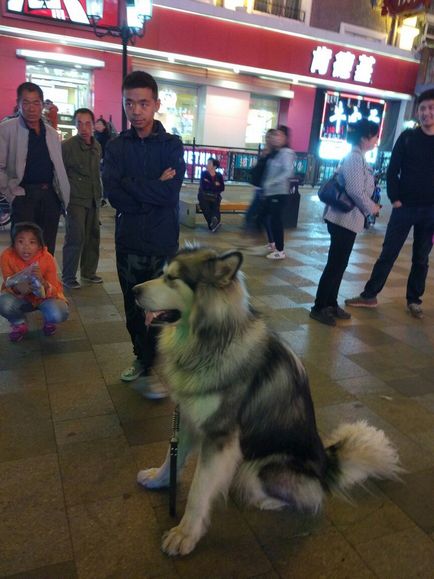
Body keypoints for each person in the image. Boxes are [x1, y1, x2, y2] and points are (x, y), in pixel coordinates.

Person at [102, 70, 185, 399]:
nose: (136, 110)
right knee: (135, 306)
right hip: (130, 241)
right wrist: (153, 188)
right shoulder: (116, 146)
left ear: (156, 104)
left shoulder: (171, 145)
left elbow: (170, 194)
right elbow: (113, 194)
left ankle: (155, 362)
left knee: (163, 307)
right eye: (130, 103)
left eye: (143, 103)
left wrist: (133, 188)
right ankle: (143, 359)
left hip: (163, 242)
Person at [345, 89, 434, 320]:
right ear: (418, 111)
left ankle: (414, 300)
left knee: (421, 258)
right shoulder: (407, 138)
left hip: (431, 211)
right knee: (388, 253)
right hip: (404, 208)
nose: (426, 113)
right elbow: (393, 171)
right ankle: (370, 295)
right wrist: (395, 198)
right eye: (423, 108)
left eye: (431, 108)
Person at [310, 119, 381, 326]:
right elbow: (355, 191)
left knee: (340, 264)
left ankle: (330, 303)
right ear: (365, 137)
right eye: (375, 136)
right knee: (335, 264)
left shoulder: (360, 159)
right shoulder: (354, 158)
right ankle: (319, 307)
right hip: (342, 219)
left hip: (349, 221)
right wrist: (372, 208)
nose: (377, 141)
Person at [0, 82, 70, 255]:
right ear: (18, 104)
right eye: (26, 102)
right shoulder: (6, 129)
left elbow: (57, 166)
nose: (31, 108)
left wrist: (62, 197)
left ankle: (45, 282)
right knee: (24, 251)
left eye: (36, 102)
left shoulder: (51, 133)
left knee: (46, 249)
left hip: (50, 197)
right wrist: (11, 194)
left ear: (42, 105)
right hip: (23, 196)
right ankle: (24, 283)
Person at [0, 222, 69, 342]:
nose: (26, 247)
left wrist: (42, 282)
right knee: (3, 303)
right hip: (20, 298)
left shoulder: (47, 258)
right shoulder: (7, 256)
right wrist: (17, 289)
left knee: (58, 313)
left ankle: (49, 320)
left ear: (39, 245)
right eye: (20, 242)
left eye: (32, 242)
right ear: (14, 244)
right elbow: (8, 281)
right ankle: (19, 323)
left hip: (45, 298)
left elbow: (55, 288)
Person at [61, 108, 103, 289]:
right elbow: (58, 173)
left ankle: (88, 272)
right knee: (75, 237)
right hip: (75, 199)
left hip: (94, 197)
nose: (84, 127)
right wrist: (62, 198)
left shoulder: (97, 146)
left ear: (93, 125)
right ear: (75, 125)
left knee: (93, 236)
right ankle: (68, 276)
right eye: (79, 123)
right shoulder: (67, 146)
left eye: (87, 123)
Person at [262, 125, 295, 260]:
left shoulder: (286, 153)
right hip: (272, 193)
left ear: (285, 138)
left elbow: (288, 171)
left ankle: (280, 250)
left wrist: (272, 182)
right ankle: (273, 244)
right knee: (268, 218)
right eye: (275, 135)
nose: (276, 138)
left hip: (279, 193)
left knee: (276, 221)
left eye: (279, 135)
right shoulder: (277, 152)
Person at [197, 157, 225, 232]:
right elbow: (204, 186)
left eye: (209, 163)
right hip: (204, 195)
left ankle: (213, 224)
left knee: (215, 206)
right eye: (207, 163)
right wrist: (215, 184)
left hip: (215, 196)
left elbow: (222, 188)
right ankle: (214, 223)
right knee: (205, 206)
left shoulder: (219, 175)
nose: (207, 165)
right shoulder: (204, 174)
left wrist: (210, 183)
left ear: (214, 166)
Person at [94, 116, 113, 207]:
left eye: (100, 124)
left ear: (104, 126)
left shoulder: (106, 137)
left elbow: (107, 150)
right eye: (96, 123)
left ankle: (104, 198)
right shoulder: (94, 135)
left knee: (102, 179)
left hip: (103, 161)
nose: (97, 125)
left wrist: (102, 159)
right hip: (96, 160)